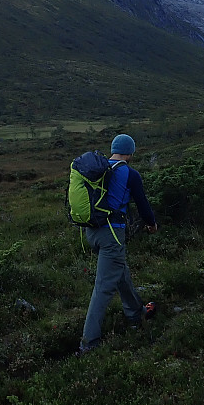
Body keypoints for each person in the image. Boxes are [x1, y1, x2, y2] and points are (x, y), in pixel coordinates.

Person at [80, 133, 159, 353]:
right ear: (130, 152)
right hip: (111, 235)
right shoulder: (129, 174)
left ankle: (136, 312)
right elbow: (142, 204)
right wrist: (151, 224)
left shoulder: (99, 169)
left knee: (119, 270)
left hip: (91, 231)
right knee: (103, 288)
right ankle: (89, 342)